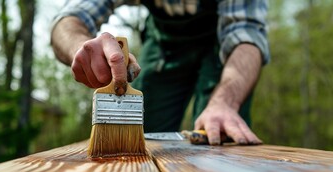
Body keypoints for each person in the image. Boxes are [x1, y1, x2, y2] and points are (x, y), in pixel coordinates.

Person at [50, 0, 270, 145]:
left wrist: (225, 102)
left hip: (224, 50)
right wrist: (82, 48)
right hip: (163, 45)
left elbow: (247, 37)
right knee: (137, 132)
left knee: (218, 136)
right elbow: (71, 17)